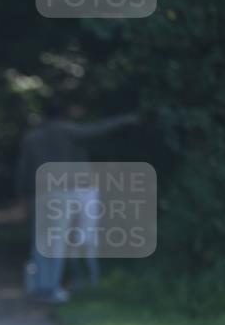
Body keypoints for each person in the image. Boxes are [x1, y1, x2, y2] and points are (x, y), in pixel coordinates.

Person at [14, 102, 137, 303]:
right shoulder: (69, 132)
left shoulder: (31, 138)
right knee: (57, 241)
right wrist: (128, 119)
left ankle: (38, 285)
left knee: (40, 241)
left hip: (40, 195)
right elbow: (100, 130)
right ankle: (51, 288)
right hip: (63, 194)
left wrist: (22, 197)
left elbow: (23, 171)